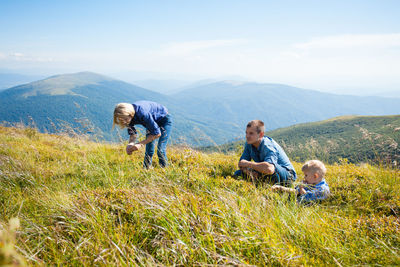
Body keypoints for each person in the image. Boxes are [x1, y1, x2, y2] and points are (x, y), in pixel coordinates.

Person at [233, 120, 296, 185]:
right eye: (246, 133)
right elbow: (241, 163)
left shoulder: (268, 146)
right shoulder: (249, 143)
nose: (247, 136)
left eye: (251, 133)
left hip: (287, 174)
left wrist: (249, 164)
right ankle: (261, 181)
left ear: (261, 134)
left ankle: (266, 184)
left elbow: (269, 169)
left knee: (272, 170)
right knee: (238, 173)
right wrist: (249, 172)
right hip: (265, 170)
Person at [113, 101, 172, 168]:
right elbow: (133, 134)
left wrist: (140, 144)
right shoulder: (127, 117)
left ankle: (164, 169)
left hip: (164, 119)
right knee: (149, 150)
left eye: (126, 119)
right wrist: (130, 144)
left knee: (160, 149)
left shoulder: (142, 113)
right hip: (151, 121)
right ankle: (146, 169)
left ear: (130, 114)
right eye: (122, 120)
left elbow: (157, 134)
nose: (125, 122)